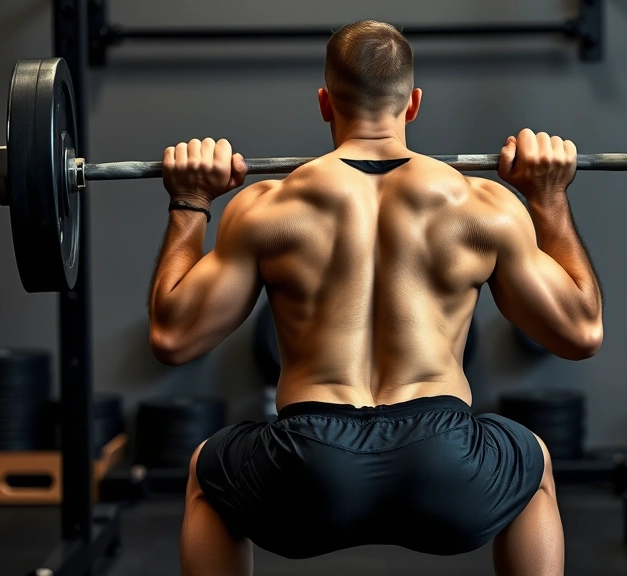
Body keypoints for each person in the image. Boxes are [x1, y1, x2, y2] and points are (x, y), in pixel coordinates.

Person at [148, 20, 603, 576]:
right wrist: (548, 198)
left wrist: (190, 202)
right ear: (412, 104)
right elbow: (582, 333)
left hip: (310, 466)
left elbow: (172, 338)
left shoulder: (267, 206)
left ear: (324, 103)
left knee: (207, 472)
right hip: (445, 464)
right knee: (533, 465)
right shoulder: (483, 204)